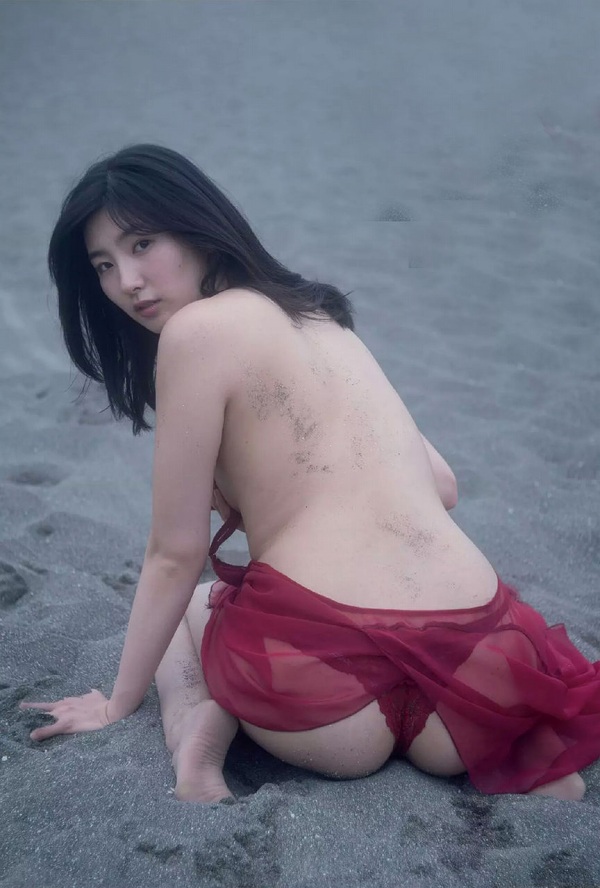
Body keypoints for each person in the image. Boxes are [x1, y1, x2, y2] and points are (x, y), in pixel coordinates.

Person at [21, 144, 599, 804]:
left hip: (322, 694)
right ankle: (528, 766)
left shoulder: (195, 333)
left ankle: (192, 731)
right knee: (505, 731)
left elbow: (174, 553)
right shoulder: (320, 316)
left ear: (197, 227)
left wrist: (116, 704)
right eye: (103, 265)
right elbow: (443, 486)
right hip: (475, 664)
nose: (127, 280)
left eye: (142, 244)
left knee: (193, 603)